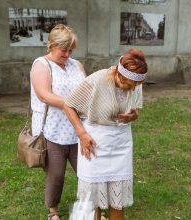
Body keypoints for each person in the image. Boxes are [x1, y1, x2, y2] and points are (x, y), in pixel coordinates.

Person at [63, 48, 148, 220]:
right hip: (95, 143)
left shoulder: (135, 82)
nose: (132, 89)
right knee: (93, 200)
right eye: (128, 85)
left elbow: (136, 108)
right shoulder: (97, 80)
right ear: (118, 74)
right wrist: (82, 134)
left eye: (136, 86)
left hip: (121, 144)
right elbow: (68, 104)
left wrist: (133, 116)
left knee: (118, 200)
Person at [30, 24, 86, 220]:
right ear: (52, 45)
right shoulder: (41, 65)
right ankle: (53, 212)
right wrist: (73, 104)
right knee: (56, 175)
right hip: (52, 130)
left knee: (87, 173)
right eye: (64, 49)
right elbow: (45, 95)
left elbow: (86, 91)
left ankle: (90, 210)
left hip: (78, 129)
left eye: (71, 50)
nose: (68, 54)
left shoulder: (76, 65)